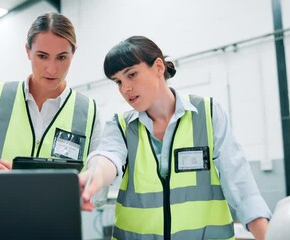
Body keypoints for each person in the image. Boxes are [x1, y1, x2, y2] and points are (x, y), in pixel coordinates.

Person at [79, 36, 271, 240]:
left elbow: (242, 187)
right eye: (118, 82)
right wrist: (93, 176)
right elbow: (108, 157)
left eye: (132, 75)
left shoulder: (207, 114)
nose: (125, 88)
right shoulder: (121, 126)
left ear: (159, 67)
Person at [0, 12, 101, 170]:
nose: (52, 69)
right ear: (28, 51)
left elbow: (97, 182)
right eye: (42, 56)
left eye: (61, 57)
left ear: (73, 53)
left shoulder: (89, 112)